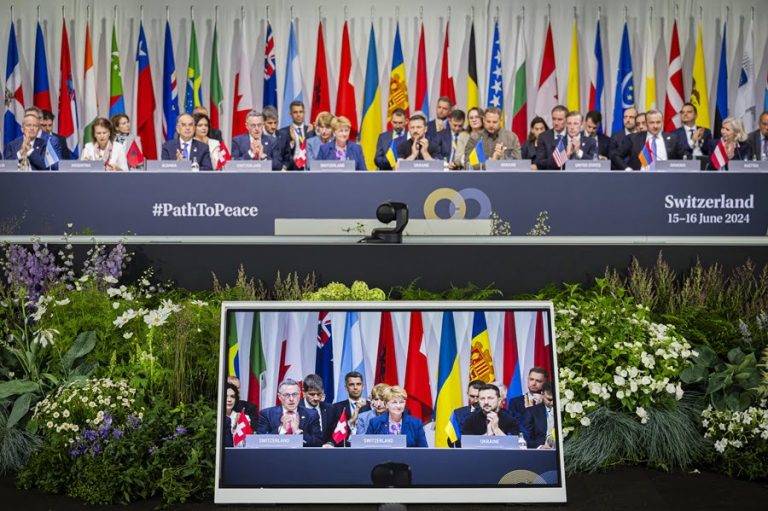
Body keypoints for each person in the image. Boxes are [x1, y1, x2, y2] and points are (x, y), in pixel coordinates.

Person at [256, 379, 322, 447]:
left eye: (295, 394)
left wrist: (298, 432)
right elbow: (259, 442)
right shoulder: (266, 414)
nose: (291, 399)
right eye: (287, 395)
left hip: (302, 456)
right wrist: (282, 430)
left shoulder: (311, 414)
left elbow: (318, 443)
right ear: (279, 397)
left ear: (300, 395)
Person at [617, 109, 684, 170]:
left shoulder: (673, 138)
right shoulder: (633, 138)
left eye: (658, 122)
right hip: (640, 179)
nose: (655, 126)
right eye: (652, 122)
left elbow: (683, 159)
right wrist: (627, 168)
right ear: (646, 123)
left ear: (662, 122)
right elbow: (616, 155)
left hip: (666, 178)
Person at [325, 371, 371, 446]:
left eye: (358, 384)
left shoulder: (371, 407)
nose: (355, 387)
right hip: (343, 448)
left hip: (366, 447)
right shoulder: (335, 408)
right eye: (351, 384)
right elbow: (333, 433)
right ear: (346, 387)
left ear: (363, 386)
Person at [272, 100, 315, 170]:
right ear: (290, 114)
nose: (298, 115)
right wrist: (292, 143)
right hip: (291, 169)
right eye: (295, 112)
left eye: (301, 112)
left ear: (304, 113)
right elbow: (281, 154)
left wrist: (309, 135)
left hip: (308, 169)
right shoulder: (283, 132)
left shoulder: (311, 131)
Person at [447, 379, 484, 447]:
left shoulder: (494, 414)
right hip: (463, 454)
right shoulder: (457, 414)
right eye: (472, 396)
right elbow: (451, 441)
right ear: (467, 394)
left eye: (478, 397)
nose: (475, 400)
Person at [534, 105, 568, 169]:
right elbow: (539, 162)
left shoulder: (572, 136)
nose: (556, 122)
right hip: (549, 175)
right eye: (554, 119)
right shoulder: (543, 137)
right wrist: (559, 158)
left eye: (560, 119)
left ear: (566, 120)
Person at [523, 382, 556, 449]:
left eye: (555, 399)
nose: (552, 403)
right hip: (541, 451)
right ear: (542, 394)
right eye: (549, 399)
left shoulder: (563, 410)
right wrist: (540, 447)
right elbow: (526, 438)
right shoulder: (531, 412)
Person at [224, 382, 252, 447]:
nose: (229, 400)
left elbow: (245, 444)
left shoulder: (244, 418)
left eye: (232, 396)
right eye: (226, 396)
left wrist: (238, 425)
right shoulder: (215, 417)